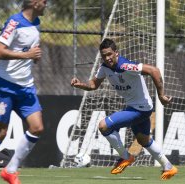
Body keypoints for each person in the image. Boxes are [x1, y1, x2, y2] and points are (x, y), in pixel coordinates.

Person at [71, 38, 178, 180]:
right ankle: (168, 166)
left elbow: (154, 71)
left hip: (141, 109)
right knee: (143, 140)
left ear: (116, 53)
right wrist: (80, 84)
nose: (107, 58)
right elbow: (93, 85)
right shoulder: (105, 68)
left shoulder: (126, 66)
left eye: (109, 54)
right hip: (135, 107)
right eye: (104, 55)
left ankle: (125, 157)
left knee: (103, 126)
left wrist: (162, 96)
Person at [0, 0, 47, 183]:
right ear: (34, 2)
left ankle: (10, 170)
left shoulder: (36, 23)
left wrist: (33, 57)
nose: (47, 5)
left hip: (26, 87)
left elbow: (28, 51)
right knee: (0, 133)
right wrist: (27, 55)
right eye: (45, 2)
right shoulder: (14, 22)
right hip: (5, 86)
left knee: (37, 127)